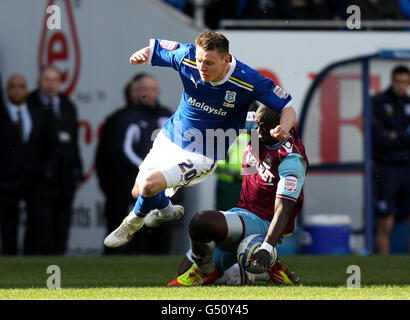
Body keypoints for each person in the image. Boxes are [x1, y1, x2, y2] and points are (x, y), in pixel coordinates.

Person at [104, 30, 297, 250]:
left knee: (149, 186)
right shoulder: (187, 56)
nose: (201, 67)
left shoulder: (248, 79)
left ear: (226, 60)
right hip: (170, 137)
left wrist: (284, 127)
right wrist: (142, 54)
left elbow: (287, 107)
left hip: (203, 153)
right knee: (139, 192)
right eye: (198, 60)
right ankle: (167, 210)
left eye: (208, 62)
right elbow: (155, 51)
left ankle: (132, 222)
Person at [168, 105, 307, 286]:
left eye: (263, 127)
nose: (257, 131)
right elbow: (222, 119)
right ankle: (257, 272)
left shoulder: (291, 159)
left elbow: (284, 208)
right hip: (242, 211)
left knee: (201, 222)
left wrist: (267, 246)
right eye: (257, 125)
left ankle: (208, 271)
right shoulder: (260, 128)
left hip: (264, 222)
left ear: (278, 128)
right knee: (184, 271)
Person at [96, 73, 179, 254]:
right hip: (134, 185)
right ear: (137, 92)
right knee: (134, 237)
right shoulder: (126, 118)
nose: (149, 93)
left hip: (164, 183)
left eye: (153, 89)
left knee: (161, 236)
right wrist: (148, 170)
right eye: (145, 89)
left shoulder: (167, 116)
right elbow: (123, 151)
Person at [27, 66, 83, 255]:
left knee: (62, 225)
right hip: (40, 177)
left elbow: (74, 141)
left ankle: (59, 263)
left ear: (60, 83)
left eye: (55, 80)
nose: (51, 85)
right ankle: (39, 267)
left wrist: (78, 168)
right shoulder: (30, 104)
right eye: (46, 80)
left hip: (65, 176)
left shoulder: (67, 106)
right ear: (39, 82)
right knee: (41, 227)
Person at [0, 74, 55, 255]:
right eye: (13, 86)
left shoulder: (38, 113)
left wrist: (45, 171)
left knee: (38, 221)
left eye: (21, 86)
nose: (17, 90)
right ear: (6, 90)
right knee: (8, 223)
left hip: (34, 178)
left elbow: (49, 145)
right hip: (7, 180)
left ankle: (33, 258)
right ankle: (10, 257)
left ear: (27, 89)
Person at [372, 65, 410, 255]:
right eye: (398, 81)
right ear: (392, 81)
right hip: (387, 168)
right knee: (386, 221)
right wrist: (400, 137)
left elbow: (394, 136)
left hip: (407, 167)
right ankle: (381, 269)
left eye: (405, 82)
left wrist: (397, 136)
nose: (401, 86)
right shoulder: (379, 102)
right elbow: (378, 136)